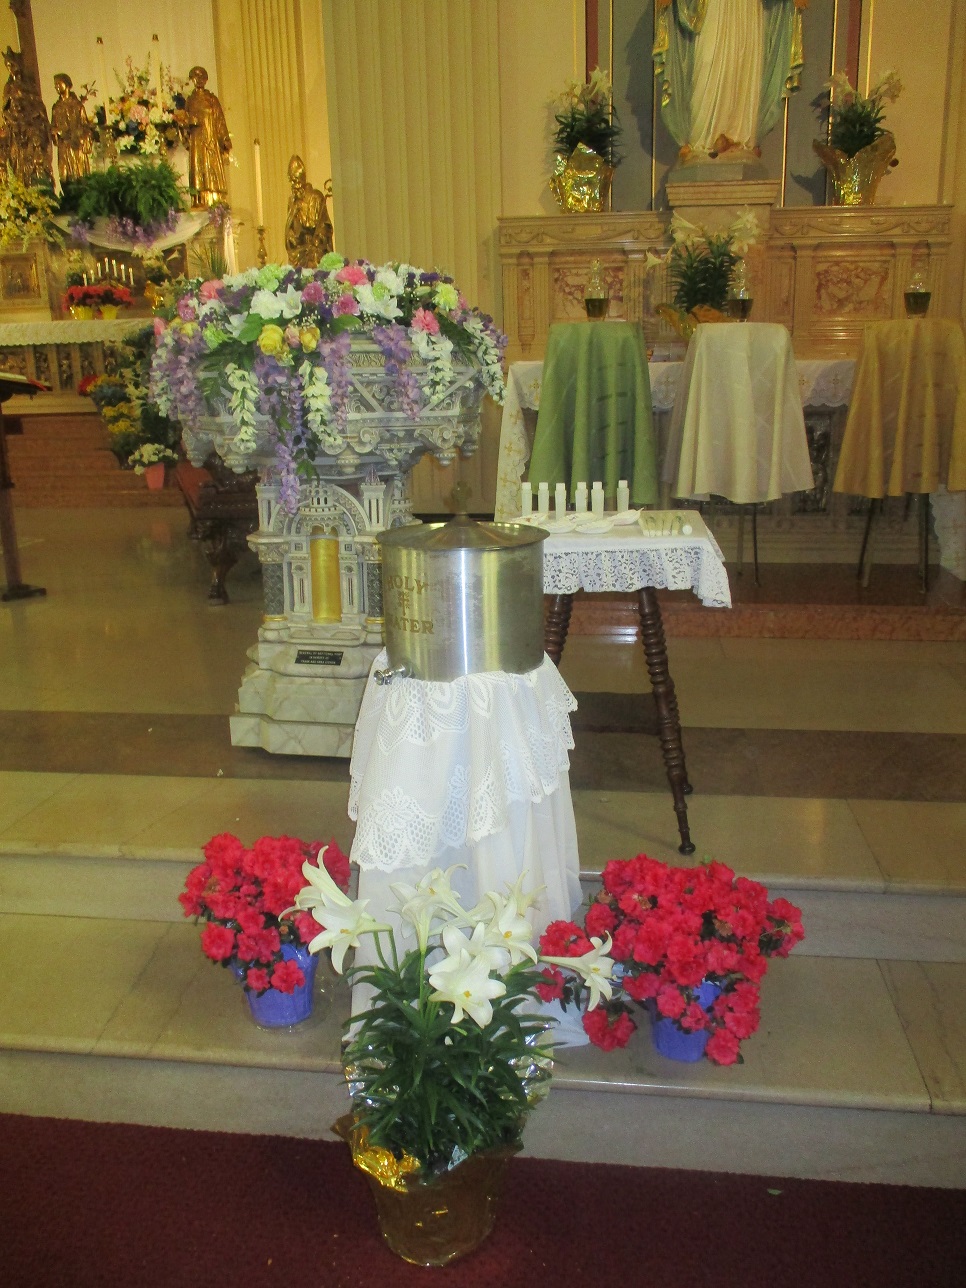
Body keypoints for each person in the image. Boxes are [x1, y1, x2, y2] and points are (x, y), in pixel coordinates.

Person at [653, 0, 807, 162]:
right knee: (708, 60)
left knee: (743, 66)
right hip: (712, 6)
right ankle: (701, 141)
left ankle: (740, 139)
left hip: (748, 8)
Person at [178, 66, 231, 208]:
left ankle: (216, 197)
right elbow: (184, 120)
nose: (199, 80)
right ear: (192, 79)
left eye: (202, 77)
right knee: (198, 166)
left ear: (206, 79)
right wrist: (188, 123)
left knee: (213, 165)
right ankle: (199, 197)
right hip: (197, 140)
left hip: (211, 138)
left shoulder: (212, 99)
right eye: (196, 77)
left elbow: (219, 119)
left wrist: (225, 138)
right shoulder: (190, 100)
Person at [0, 46, 53, 187]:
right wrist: (11, 119)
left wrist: (31, 116)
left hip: (30, 127)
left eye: (12, 65)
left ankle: (37, 186)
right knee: (17, 161)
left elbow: (38, 105)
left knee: (33, 159)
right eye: (8, 66)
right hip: (15, 130)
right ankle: (22, 189)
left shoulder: (28, 84)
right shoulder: (8, 87)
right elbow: (5, 109)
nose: (11, 69)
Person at [284, 154, 333, 269]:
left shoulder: (315, 196)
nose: (294, 185)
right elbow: (290, 231)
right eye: (291, 181)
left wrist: (316, 242)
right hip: (299, 250)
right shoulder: (292, 201)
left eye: (295, 181)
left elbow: (322, 225)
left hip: (315, 247)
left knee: (315, 260)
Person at [50, 73, 93, 184]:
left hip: (76, 146)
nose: (56, 87)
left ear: (67, 84)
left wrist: (77, 134)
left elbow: (85, 126)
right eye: (55, 85)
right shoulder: (56, 107)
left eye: (59, 83)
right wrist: (56, 132)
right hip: (63, 147)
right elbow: (53, 127)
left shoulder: (77, 105)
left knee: (80, 177)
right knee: (65, 178)